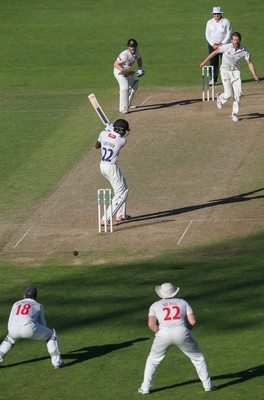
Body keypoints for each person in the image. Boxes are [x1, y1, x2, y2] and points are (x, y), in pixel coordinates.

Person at [138, 283, 216, 395]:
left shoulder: (155, 305)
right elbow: (193, 321)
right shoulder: (183, 302)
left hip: (163, 334)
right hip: (182, 332)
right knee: (198, 358)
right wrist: (187, 331)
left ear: (161, 293)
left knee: (153, 360)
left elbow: (151, 324)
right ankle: (208, 385)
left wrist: (159, 333)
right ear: (174, 292)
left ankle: (145, 388)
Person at [200, 31, 260, 122]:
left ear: (240, 41)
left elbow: (249, 63)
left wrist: (254, 75)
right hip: (225, 71)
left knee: (238, 94)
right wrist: (204, 62)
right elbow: (215, 52)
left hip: (236, 72)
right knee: (228, 94)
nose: (236, 42)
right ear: (231, 40)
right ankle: (220, 97)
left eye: (237, 40)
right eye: (234, 40)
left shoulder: (244, 50)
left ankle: (234, 113)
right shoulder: (227, 47)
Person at [0, 286, 64, 369]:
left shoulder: (16, 303)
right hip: (29, 329)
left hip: (13, 329)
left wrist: (11, 332)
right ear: (36, 296)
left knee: (9, 339)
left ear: (24, 295)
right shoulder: (38, 305)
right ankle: (57, 362)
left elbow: (10, 319)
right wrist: (41, 334)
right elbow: (42, 323)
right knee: (51, 335)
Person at [95, 119, 131, 224]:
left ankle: (120, 215)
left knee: (124, 187)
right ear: (122, 131)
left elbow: (97, 146)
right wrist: (111, 130)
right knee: (121, 193)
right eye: (125, 131)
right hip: (111, 167)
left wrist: (108, 131)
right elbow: (116, 137)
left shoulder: (103, 134)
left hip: (102, 166)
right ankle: (105, 218)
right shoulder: (122, 141)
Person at [113, 39, 144, 114]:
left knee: (134, 86)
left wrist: (140, 69)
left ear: (136, 46)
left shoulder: (137, 52)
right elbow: (115, 64)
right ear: (128, 47)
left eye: (133, 46)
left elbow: (139, 59)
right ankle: (123, 108)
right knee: (125, 88)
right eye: (130, 46)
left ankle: (128, 104)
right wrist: (124, 71)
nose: (132, 48)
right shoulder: (124, 55)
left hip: (128, 71)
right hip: (119, 72)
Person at [205, 6, 232, 84]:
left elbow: (229, 33)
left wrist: (222, 43)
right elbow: (207, 35)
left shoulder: (226, 21)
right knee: (213, 62)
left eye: (218, 14)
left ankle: (227, 79)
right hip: (212, 45)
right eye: (215, 14)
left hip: (224, 45)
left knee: (225, 62)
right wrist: (213, 44)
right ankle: (213, 79)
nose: (216, 15)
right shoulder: (209, 22)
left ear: (220, 14)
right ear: (213, 14)